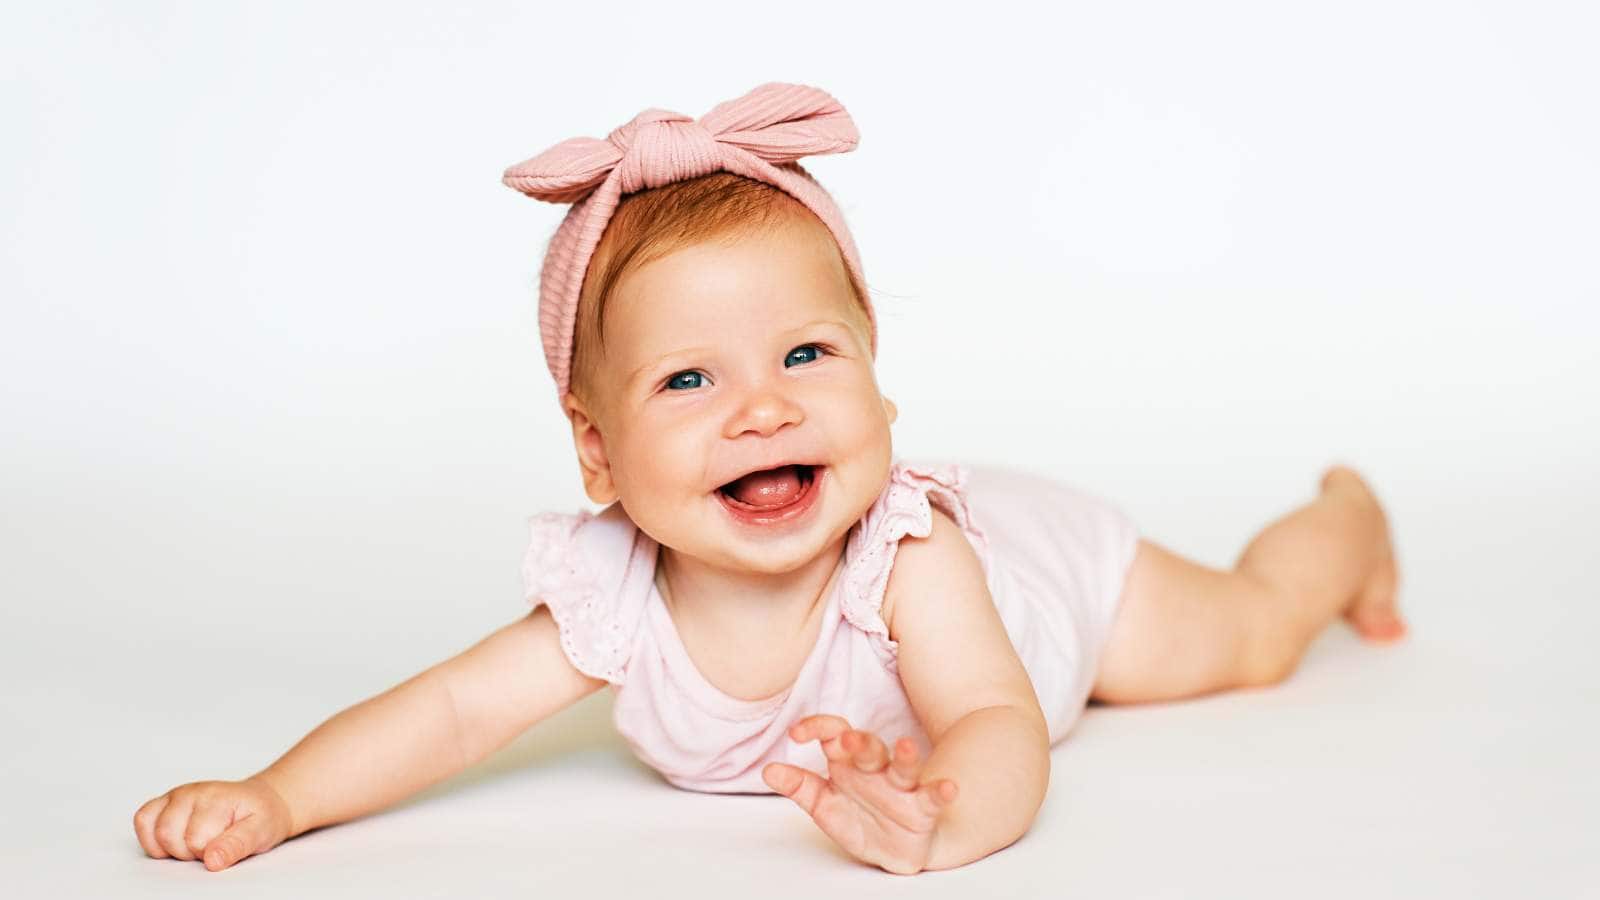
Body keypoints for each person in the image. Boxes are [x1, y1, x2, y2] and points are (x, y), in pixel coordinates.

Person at [132, 82, 1407, 876]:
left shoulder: (908, 557)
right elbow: (452, 713)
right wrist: (277, 797)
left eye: (807, 354)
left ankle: (1343, 526)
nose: (762, 408)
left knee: (1248, 638)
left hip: (1064, 583)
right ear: (596, 450)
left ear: (876, 382)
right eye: (687, 379)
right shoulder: (612, 594)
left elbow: (996, 720)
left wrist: (946, 816)